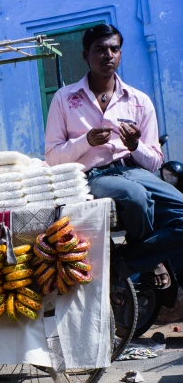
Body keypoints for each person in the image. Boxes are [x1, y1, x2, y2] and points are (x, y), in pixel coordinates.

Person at [45, 23, 183, 289]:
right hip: (94, 176)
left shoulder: (138, 100)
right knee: (134, 197)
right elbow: (52, 158)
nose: (108, 54)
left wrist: (135, 146)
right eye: (100, 49)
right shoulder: (65, 98)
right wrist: (85, 141)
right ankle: (150, 261)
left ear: (120, 54)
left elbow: (154, 161)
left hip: (134, 171)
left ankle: (128, 261)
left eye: (114, 49)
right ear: (86, 55)